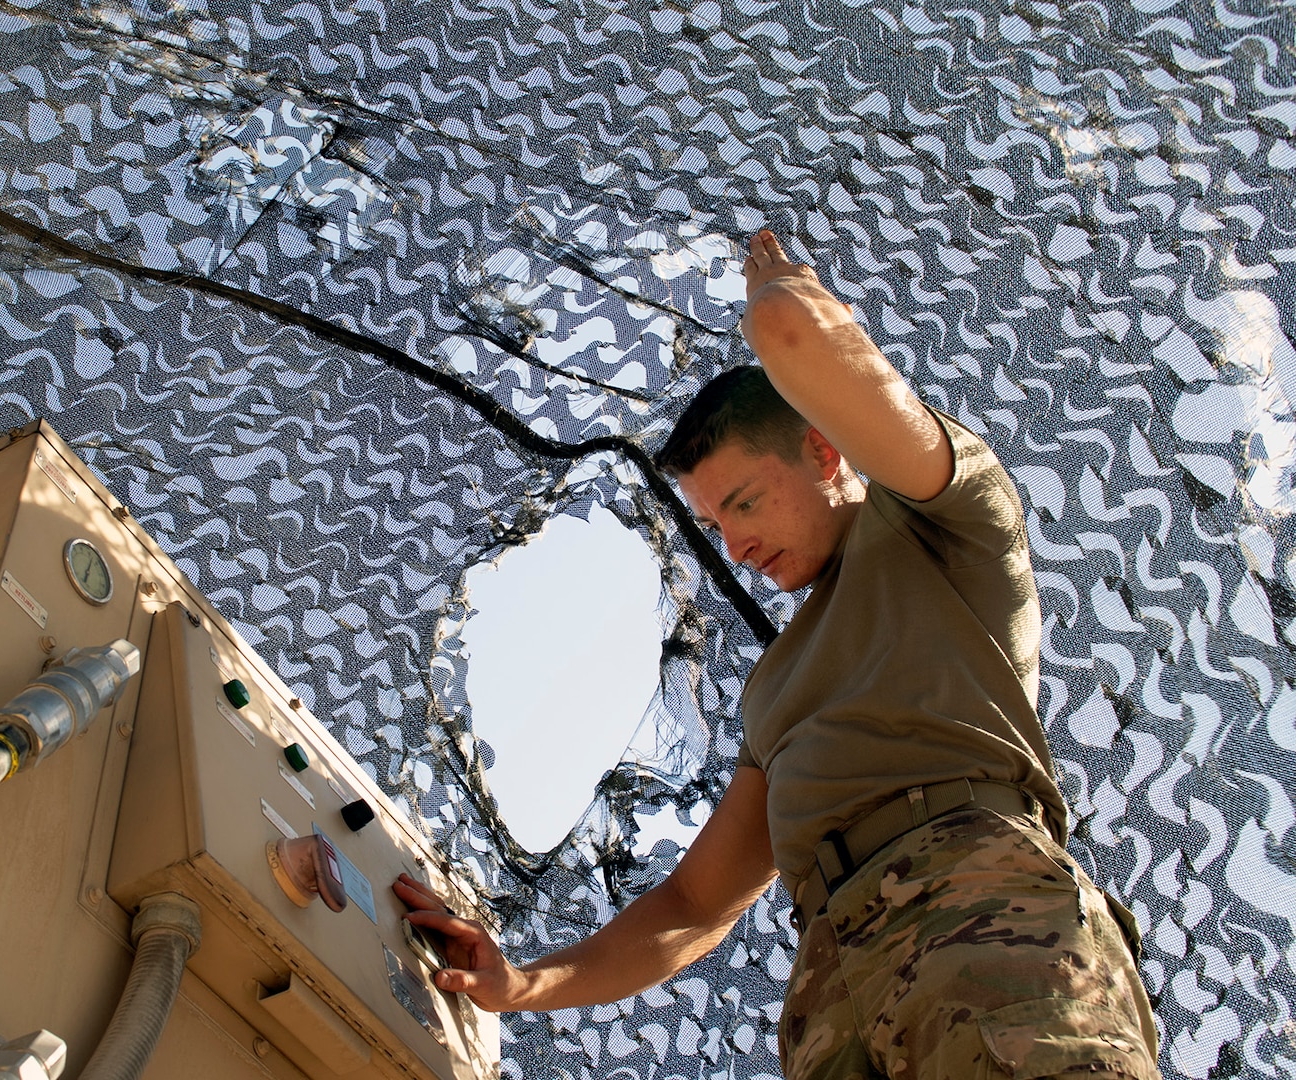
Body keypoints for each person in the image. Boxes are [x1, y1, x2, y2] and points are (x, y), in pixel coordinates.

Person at [395, 231, 1162, 1079]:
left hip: (978, 911)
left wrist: (782, 298)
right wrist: (524, 984)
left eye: (746, 502)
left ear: (824, 453)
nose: (737, 544)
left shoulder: (948, 522)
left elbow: (798, 337)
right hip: (832, 987)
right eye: (718, 525)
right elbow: (692, 906)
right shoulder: (777, 686)